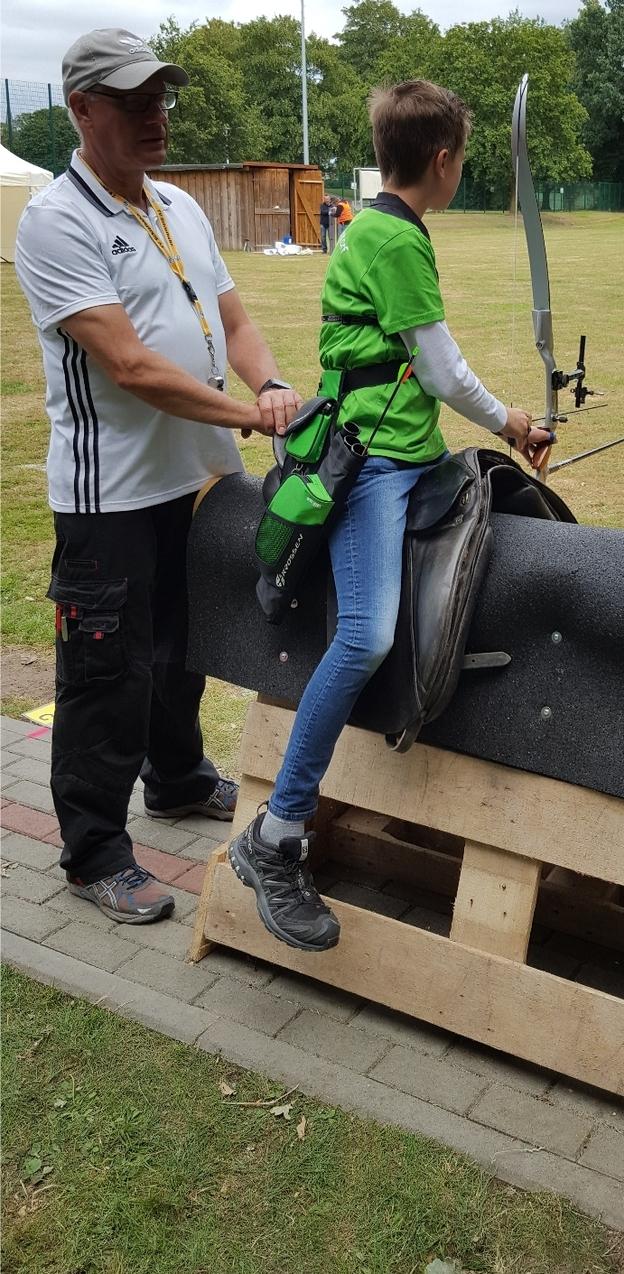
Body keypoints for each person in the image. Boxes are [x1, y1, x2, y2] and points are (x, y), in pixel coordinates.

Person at [227, 80, 550, 951]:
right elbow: (440, 372)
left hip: (410, 458)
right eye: (462, 159)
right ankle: (277, 834)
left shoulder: (381, 226)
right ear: (442, 161)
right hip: (374, 468)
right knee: (366, 636)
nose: (461, 170)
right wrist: (515, 422)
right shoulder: (392, 239)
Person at [11, 29, 302, 923]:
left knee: (186, 652)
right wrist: (251, 417)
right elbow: (130, 367)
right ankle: (94, 850)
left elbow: (235, 323)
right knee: (108, 675)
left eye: (161, 98)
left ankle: (176, 780)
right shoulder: (55, 218)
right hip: (112, 500)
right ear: (82, 110)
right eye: (134, 101)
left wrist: (273, 382)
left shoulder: (178, 207)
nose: (156, 115)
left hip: (198, 483)